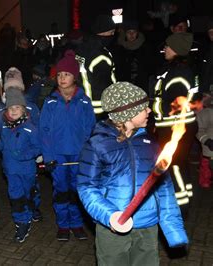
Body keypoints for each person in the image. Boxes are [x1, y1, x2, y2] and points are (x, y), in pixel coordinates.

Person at [77, 82, 188, 265]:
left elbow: (164, 188)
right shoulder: (98, 144)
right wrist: (110, 215)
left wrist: (173, 229)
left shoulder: (149, 144)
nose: (149, 111)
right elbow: (86, 187)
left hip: (147, 226)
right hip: (113, 227)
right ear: (127, 113)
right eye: (144, 107)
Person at [39, 50, 96, 241]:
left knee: (76, 190)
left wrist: (88, 153)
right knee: (61, 191)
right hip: (58, 157)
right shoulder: (50, 102)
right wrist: (48, 157)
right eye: (59, 74)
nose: (62, 78)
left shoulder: (84, 101)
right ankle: (63, 225)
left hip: (78, 155)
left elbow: (90, 129)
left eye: (67, 74)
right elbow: (44, 131)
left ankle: (77, 223)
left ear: (75, 77)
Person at [0, 88, 41, 243]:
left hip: (27, 170)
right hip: (11, 171)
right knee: (16, 197)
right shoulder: (5, 128)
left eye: (17, 107)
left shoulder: (30, 128)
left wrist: (26, 155)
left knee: (28, 195)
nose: (14, 110)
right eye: (11, 108)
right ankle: (21, 223)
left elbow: (38, 148)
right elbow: (2, 143)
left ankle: (30, 214)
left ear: (24, 109)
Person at [152, 32, 197, 206]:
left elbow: (176, 104)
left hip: (175, 128)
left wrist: (155, 109)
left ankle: (180, 206)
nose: (164, 49)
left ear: (177, 50)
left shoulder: (178, 73)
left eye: (168, 46)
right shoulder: (173, 69)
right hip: (173, 127)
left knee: (174, 165)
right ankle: (184, 200)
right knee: (179, 165)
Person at [76, 14, 117, 117]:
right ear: (102, 32)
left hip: (80, 102)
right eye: (111, 32)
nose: (113, 35)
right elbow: (104, 83)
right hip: (98, 106)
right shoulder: (101, 55)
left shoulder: (82, 49)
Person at [0, 67, 40, 138]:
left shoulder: (31, 107)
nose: (13, 92)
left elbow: (38, 130)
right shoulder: (1, 109)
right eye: (10, 88)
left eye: (16, 88)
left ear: (21, 90)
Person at [114, 21, 154, 90]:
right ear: (125, 34)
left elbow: (150, 68)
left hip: (141, 86)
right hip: (124, 87)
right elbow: (117, 69)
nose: (131, 34)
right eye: (129, 32)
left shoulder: (145, 47)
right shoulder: (119, 49)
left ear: (137, 33)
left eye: (134, 32)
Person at [196, 91, 213, 188]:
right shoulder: (205, 113)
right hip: (210, 151)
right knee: (206, 168)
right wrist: (207, 141)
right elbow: (199, 130)